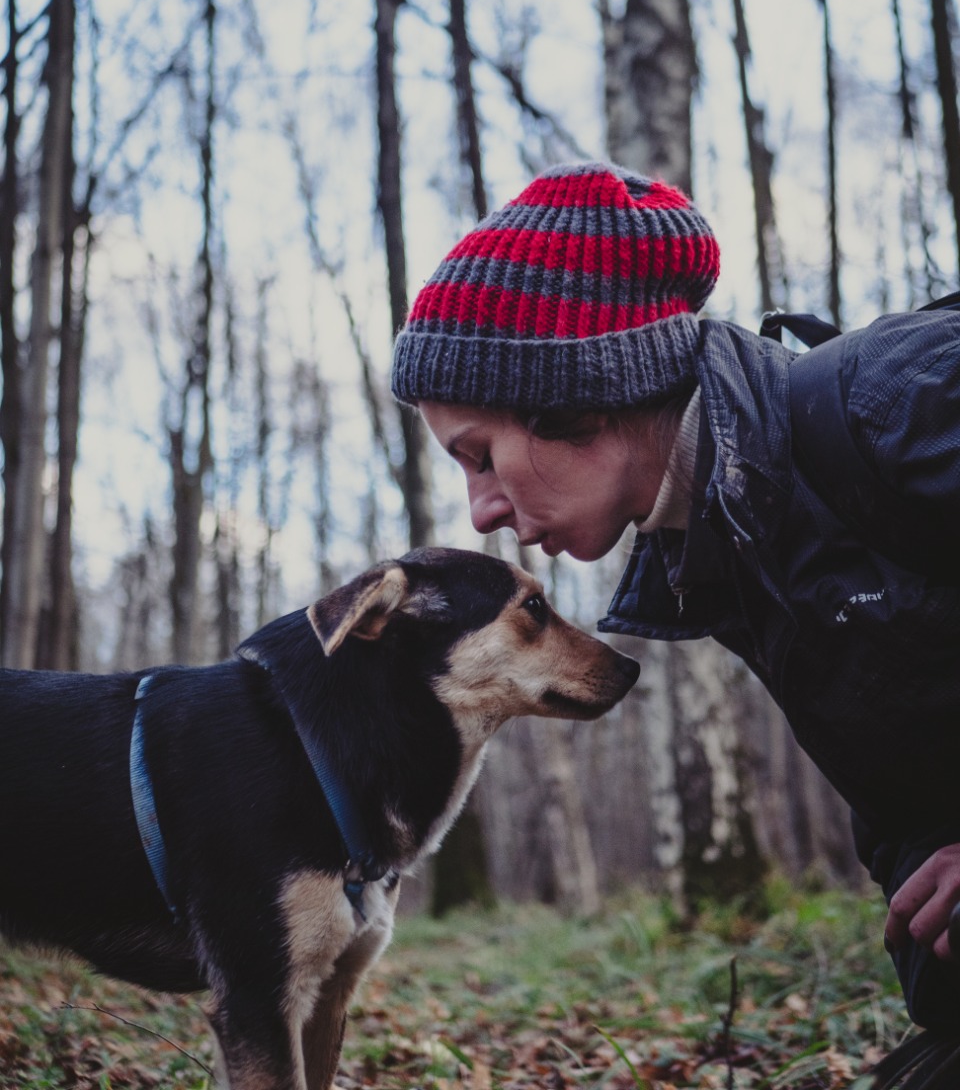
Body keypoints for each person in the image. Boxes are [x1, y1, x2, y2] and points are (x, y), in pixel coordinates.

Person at [390, 159, 960, 1033]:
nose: (483, 511)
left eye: (480, 455)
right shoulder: (728, 539)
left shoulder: (894, 400)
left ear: (574, 393)